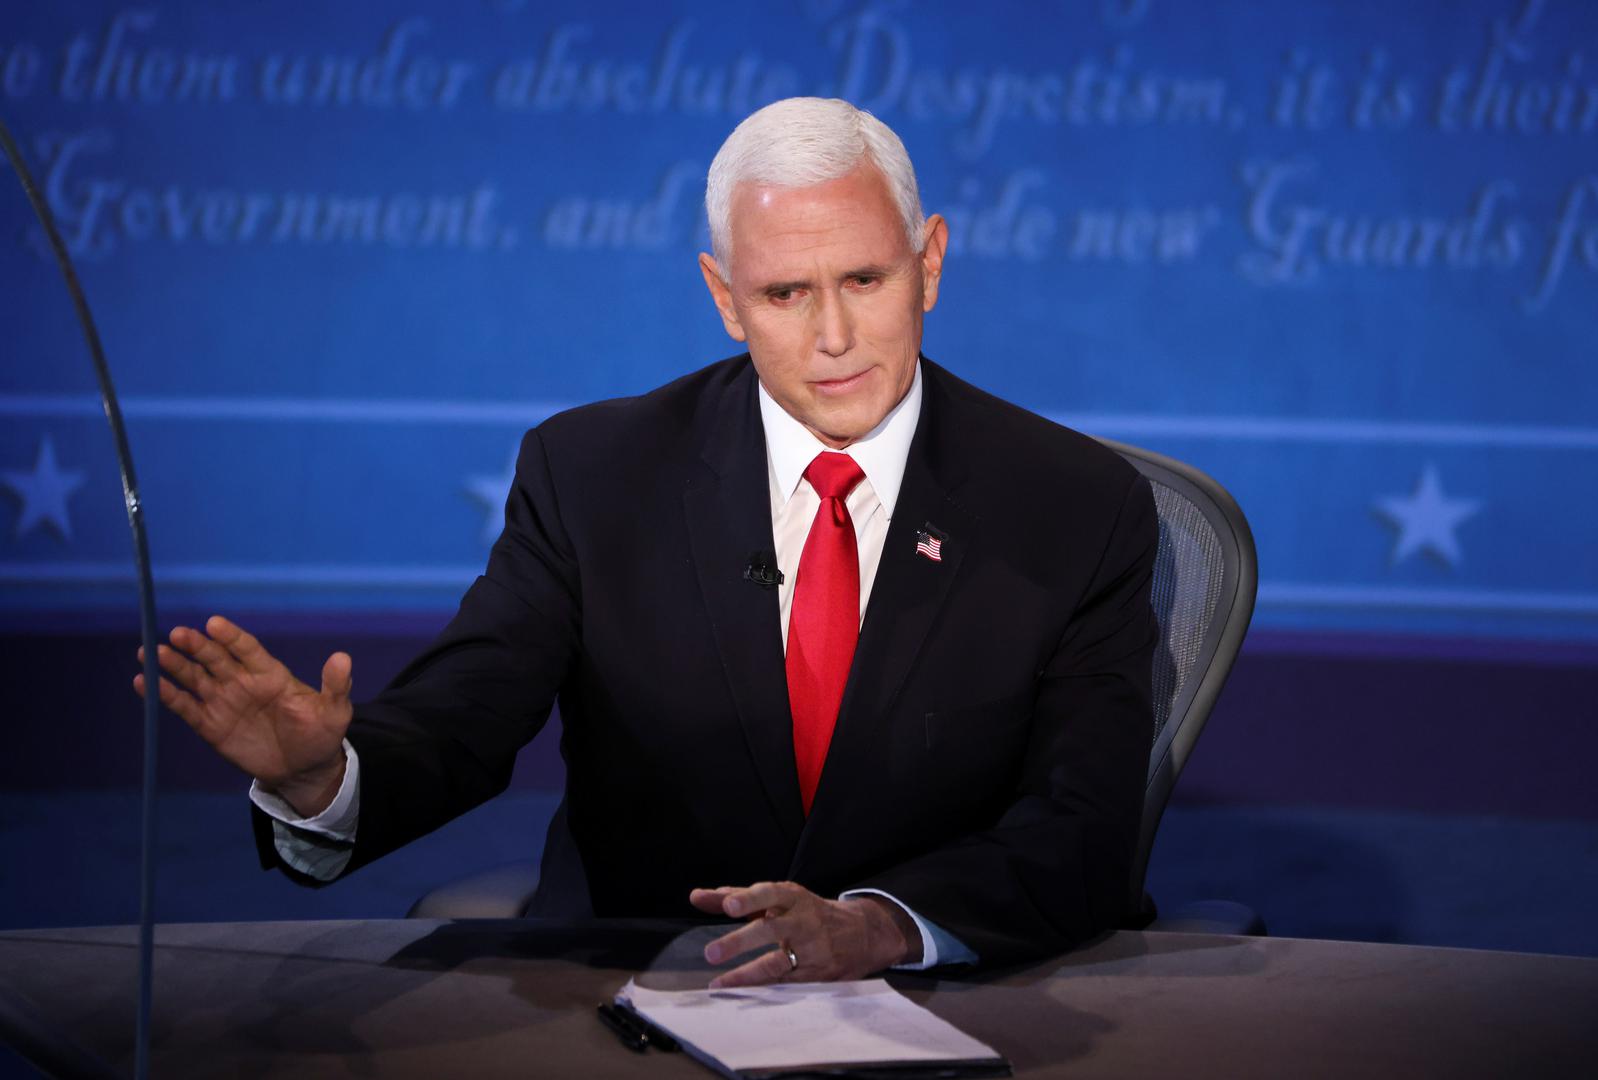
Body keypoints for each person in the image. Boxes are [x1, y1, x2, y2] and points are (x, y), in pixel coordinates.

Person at [135, 97, 1157, 987]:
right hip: (638, 987)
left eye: (864, 280)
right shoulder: (594, 477)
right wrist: (327, 779)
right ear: (723, 299)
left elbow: (1082, 825)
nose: (833, 339)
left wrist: (880, 927)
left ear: (928, 263)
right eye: (784, 294)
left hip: (942, 993)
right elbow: (461, 721)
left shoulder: (1071, 505)